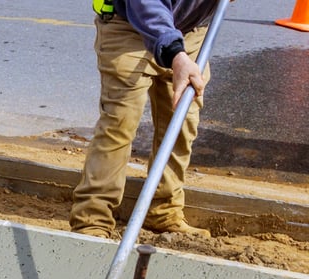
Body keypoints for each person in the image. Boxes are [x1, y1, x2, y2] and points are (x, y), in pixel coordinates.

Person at [70, 0, 225, 239]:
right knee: (119, 123)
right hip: (130, 27)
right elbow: (147, 6)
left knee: (182, 123)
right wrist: (175, 54)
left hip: (191, 33)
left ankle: (164, 210)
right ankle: (93, 218)